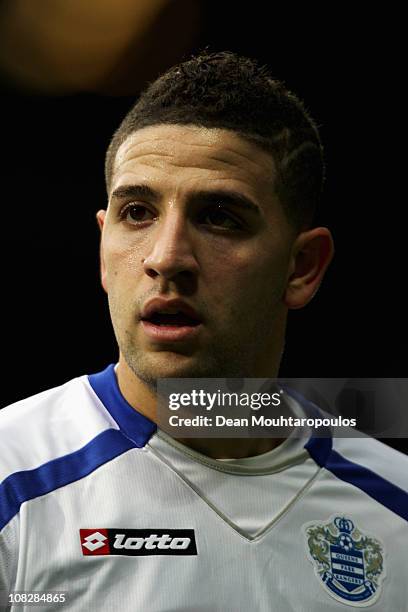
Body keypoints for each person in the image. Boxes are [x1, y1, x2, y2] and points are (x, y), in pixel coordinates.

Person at [0, 51, 407, 612]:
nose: (166, 258)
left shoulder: (397, 507)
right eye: (137, 212)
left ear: (302, 267)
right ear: (102, 246)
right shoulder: (11, 481)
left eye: (218, 216)